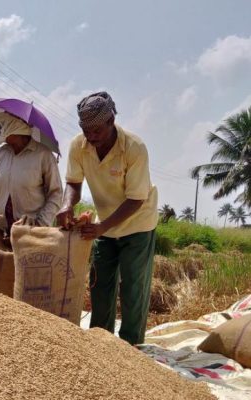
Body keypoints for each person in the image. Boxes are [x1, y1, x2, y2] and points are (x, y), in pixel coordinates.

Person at [56, 92, 158, 345]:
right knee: (100, 284)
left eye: (97, 131)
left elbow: (136, 199)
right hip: (104, 225)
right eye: (86, 131)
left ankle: (131, 346)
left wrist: (102, 227)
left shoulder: (134, 148)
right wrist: (67, 204)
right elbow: (73, 183)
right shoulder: (79, 146)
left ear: (111, 120)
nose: (91, 137)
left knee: (133, 287)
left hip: (138, 222)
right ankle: (102, 345)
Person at [0, 113, 63, 244]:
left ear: (21, 130)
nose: (0, 127)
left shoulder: (44, 156)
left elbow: (55, 194)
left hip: (32, 236)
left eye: (14, 142)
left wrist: (40, 224)